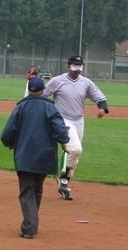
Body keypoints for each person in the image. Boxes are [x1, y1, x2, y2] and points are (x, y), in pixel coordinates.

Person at [1, 77, 70, 239]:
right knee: (37, 189)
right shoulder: (50, 108)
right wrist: (64, 142)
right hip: (45, 156)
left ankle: (30, 227)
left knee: (26, 191)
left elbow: (6, 134)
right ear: (43, 91)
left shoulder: (21, 107)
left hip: (25, 155)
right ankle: (31, 222)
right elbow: (60, 130)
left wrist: (10, 143)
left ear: (29, 90)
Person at [43, 55, 109, 201]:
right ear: (68, 66)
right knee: (76, 149)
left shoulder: (86, 83)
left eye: (80, 66)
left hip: (79, 121)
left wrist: (103, 109)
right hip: (62, 120)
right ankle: (64, 180)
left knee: (75, 154)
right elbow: (42, 95)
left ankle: (64, 184)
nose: (77, 69)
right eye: (75, 65)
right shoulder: (57, 81)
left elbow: (100, 98)